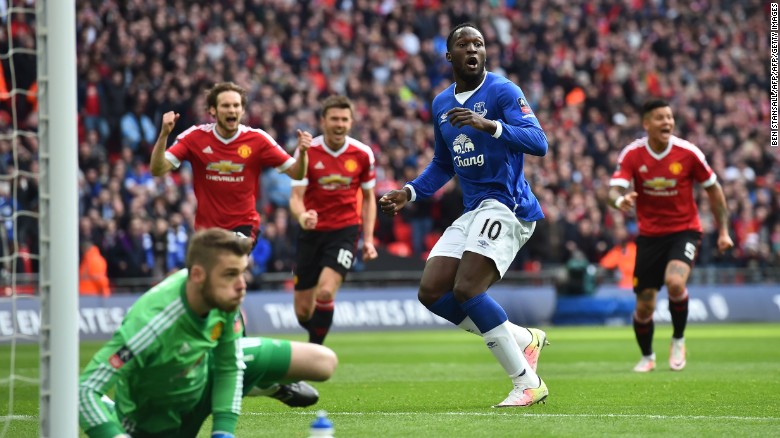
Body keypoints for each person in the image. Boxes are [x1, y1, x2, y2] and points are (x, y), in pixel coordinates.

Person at [379, 23, 549, 408]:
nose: (473, 49)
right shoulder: (441, 104)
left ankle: (527, 382)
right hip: (474, 209)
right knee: (432, 291)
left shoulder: (503, 91)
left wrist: (489, 124)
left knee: (468, 289)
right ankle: (523, 339)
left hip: (508, 205)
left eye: (479, 44)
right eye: (464, 44)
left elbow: (539, 142)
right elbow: (443, 163)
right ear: (449, 56)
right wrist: (408, 192)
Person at [78, 228, 338, 438]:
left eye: (242, 273)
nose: (241, 286)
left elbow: (228, 367)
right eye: (230, 274)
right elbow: (84, 391)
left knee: (323, 362)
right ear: (199, 275)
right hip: (156, 418)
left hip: (203, 374)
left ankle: (262, 385)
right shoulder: (151, 323)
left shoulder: (223, 297)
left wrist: (223, 432)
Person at [607, 99, 733, 372]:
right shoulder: (632, 154)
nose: (667, 122)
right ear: (646, 123)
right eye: (660, 117)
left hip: (684, 231)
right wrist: (620, 202)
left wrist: (723, 231)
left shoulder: (688, 153)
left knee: (675, 283)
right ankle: (648, 357)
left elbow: (713, 189)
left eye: (669, 117)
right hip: (650, 237)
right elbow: (612, 190)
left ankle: (678, 339)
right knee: (644, 307)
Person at [150, 81, 312, 243]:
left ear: (242, 110)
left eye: (236, 105)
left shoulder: (258, 139)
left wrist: (303, 153)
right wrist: (164, 135)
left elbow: (297, 173)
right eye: (226, 106)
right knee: (211, 268)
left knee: (230, 255)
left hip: (244, 226)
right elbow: (158, 169)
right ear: (213, 110)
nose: (232, 110)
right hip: (207, 231)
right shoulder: (194, 137)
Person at [289, 95, 378, 344]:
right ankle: (316, 332)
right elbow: (296, 197)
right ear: (323, 121)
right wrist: (302, 215)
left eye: (344, 120)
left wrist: (368, 240)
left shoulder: (362, 154)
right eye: (334, 119)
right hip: (311, 232)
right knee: (303, 311)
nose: (339, 124)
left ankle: (314, 351)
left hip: (344, 231)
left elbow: (369, 198)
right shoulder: (307, 151)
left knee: (326, 291)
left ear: (351, 123)